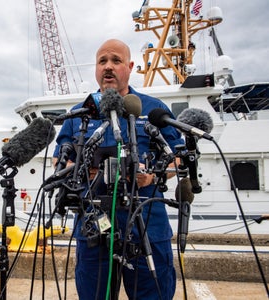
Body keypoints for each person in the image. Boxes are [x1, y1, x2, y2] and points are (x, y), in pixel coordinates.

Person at [53, 39, 183, 299]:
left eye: (116, 60)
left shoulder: (153, 109)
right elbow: (60, 161)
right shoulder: (80, 113)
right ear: (96, 68)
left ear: (130, 66)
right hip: (95, 225)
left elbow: (178, 158)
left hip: (146, 223)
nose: (108, 67)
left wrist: (152, 176)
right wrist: (77, 170)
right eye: (102, 61)